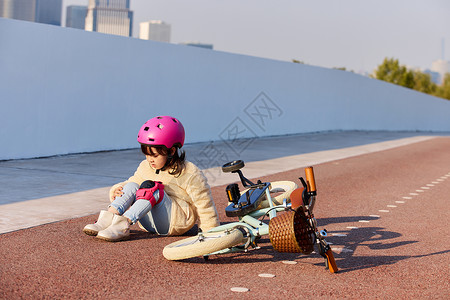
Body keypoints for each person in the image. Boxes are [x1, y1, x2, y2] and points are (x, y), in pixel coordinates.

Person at [83, 116, 220, 242]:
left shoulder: (190, 172)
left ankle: (122, 225)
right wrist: (117, 190)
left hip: (175, 222)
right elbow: (133, 182)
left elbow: (204, 204)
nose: (149, 159)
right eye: (146, 154)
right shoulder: (145, 166)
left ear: (171, 151)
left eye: (154, 155)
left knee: (153, 188)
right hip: (148, 222)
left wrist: (210, 233)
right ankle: (106, 220)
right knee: (132, 185)